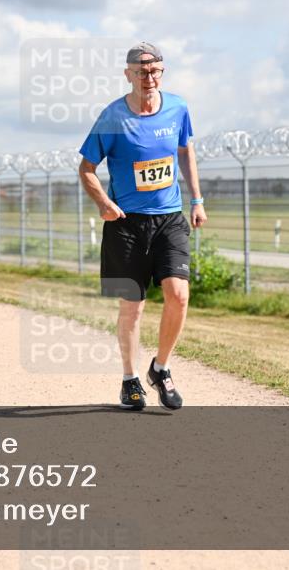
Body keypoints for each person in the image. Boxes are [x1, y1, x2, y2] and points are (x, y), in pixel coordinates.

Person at [77, 42, 207, 411]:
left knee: (179, 294)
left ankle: (161, 368)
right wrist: (104, 203)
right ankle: (130, 379)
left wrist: (197, 200)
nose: (149, 78)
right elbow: (86, 169)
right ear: (128, 74)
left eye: (155, 72)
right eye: (141, 72)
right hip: (126, 224)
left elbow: (185, 151)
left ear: (162, 73)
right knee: (132, 308)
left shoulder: (178, 107)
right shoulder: (113, 117)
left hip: (169, 218)